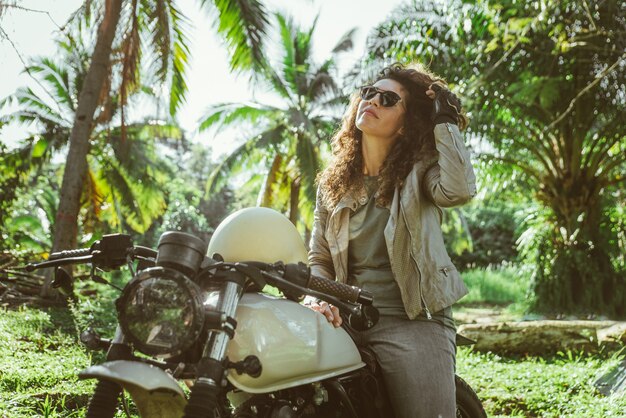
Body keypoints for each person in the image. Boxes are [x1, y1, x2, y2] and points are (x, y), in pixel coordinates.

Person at [306, 63, 477, 418]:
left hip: (411, 319)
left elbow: (459, 189)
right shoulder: (332, 184)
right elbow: (319, 256)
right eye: (368, 93)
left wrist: (444, 119)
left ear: (405, 124)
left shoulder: (421, 170)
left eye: (387, 99)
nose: (373, 101)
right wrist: (317, 298)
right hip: (347, 318)